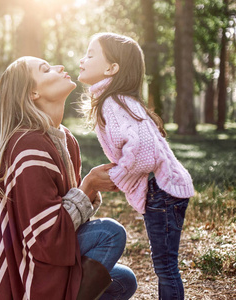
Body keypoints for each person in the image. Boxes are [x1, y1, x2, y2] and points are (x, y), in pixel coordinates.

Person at [0, 56, 136, 300]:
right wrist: (89, 186)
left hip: (37, 254)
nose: (60, 67)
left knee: (123, 281)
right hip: (18, 269)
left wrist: (93, 187)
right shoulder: (28, 144)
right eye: (46, 69)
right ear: (33, 93)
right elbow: (45, 237)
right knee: (109, 233)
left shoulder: (65, 139)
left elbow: (61, 221)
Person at [78, 32, 194, 299]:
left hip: (162, 189)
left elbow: (144, 152)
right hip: (164, 189)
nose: (82, 60)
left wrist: (117, 177)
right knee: (165, 263)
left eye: (90, 54)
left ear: (112, 68)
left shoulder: (113, 103)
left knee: (166, 266)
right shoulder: (116, 100)